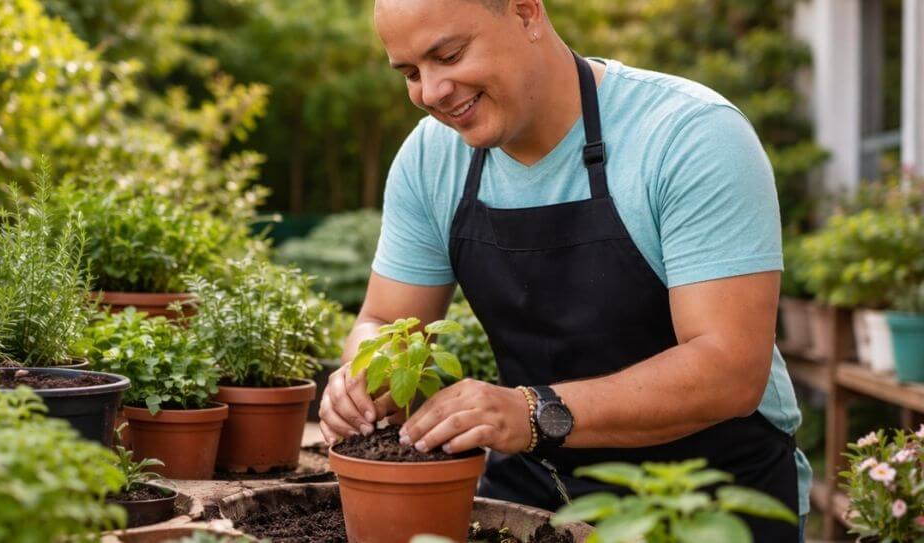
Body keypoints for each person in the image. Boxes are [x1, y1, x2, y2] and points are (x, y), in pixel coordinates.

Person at [318, 0, 809, 540]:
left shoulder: (689, 136)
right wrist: (365, 378)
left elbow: (728, 370)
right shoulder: (431, 159)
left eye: (449, 55)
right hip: (535, 492)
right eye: (411, 73)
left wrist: (528, 413)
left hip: (703, 501)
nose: (431, 92)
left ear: (527, 13)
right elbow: (385, 318)